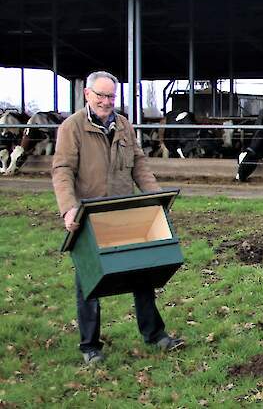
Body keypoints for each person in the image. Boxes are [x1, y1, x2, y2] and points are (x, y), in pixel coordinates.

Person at [52, 71, 185, 365]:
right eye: (100, 95)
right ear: (87, 94)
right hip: (89, 216)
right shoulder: (71, 128)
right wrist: (69, 208)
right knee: (88, 282)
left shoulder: (123, 125)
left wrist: (156, 197)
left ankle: (155, 334)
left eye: (111, 96)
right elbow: (62, 170)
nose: (106, 101)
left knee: (141, 272)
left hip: (125, 213)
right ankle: (90, 346)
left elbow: (139, 164)